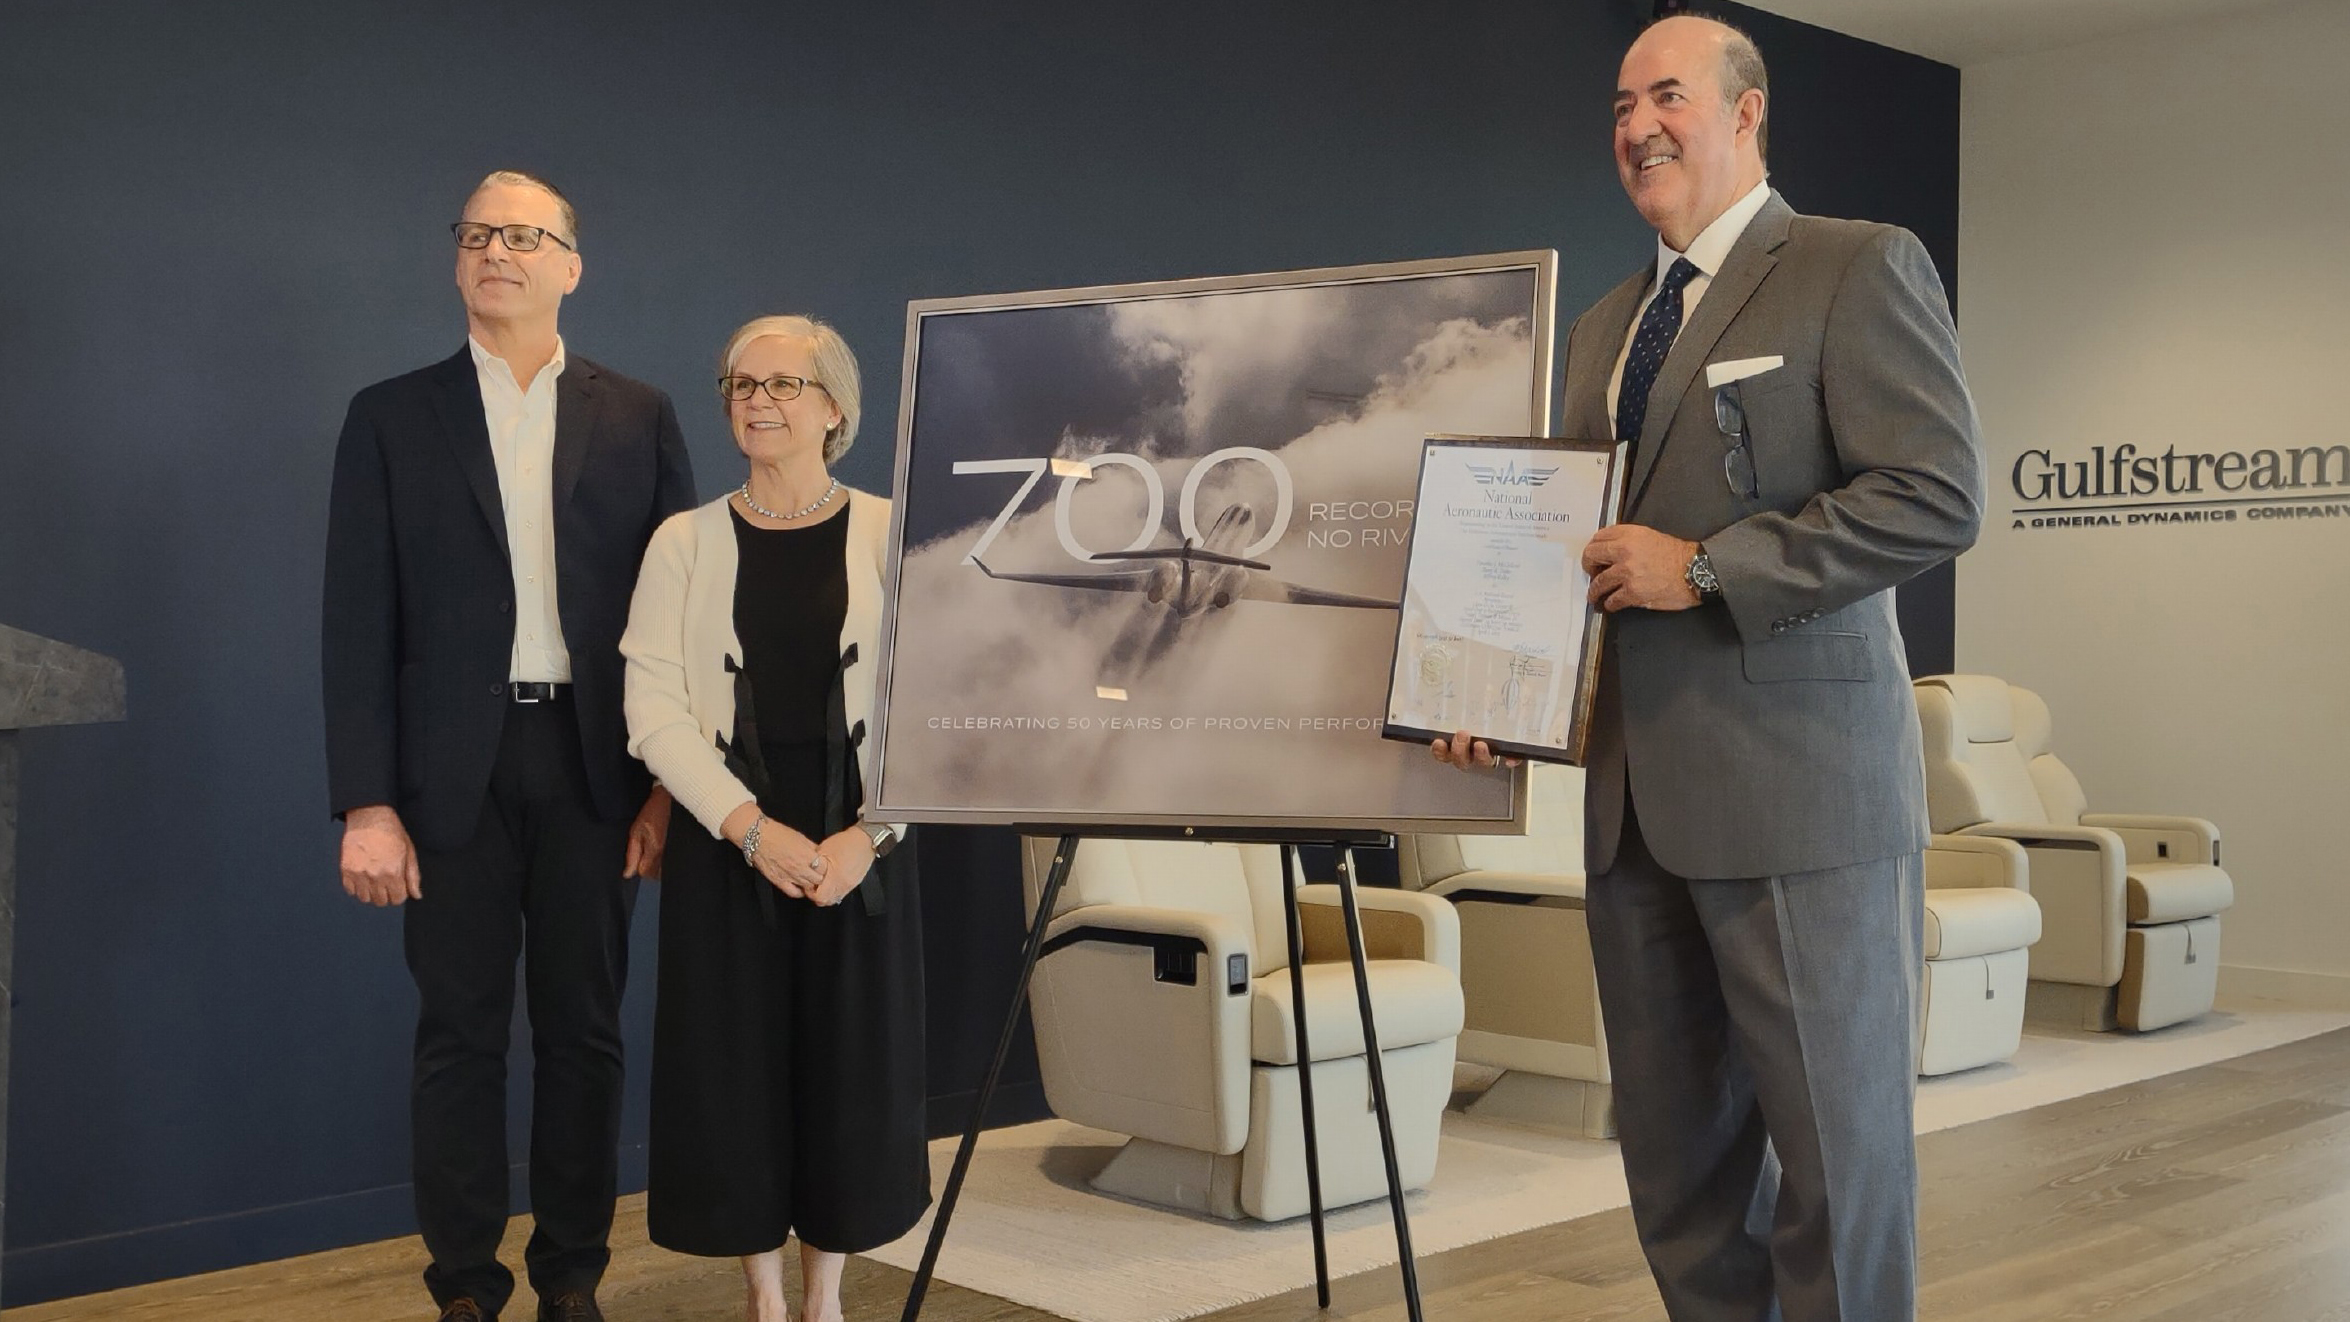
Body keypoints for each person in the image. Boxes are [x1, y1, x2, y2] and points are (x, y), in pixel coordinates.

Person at [1436, 16, 1984, 1321]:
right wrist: (1494, 691)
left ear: (1746, 113)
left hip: (1803, 804)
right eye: (1620, 103)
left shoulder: (1852, 268)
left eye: (1666, 95)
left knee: (1836, 1173)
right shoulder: (1604, 326)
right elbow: (1554, 549)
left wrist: (1710, 565)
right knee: (1676, 1175)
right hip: (1631, 815)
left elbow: (1936, 494)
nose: (1636, 126)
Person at [322, 170, 697, 1322]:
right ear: (457, 261)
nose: (499, 251)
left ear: (569, 265)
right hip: (449, 779)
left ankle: (572, 1276)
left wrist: (668, 789)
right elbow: (355, 621)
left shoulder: (637, 413)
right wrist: (366, 802)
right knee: (459, 1036)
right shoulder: (390, 414)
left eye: (525, 235)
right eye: (479, 233)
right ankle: (465, 1287)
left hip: (596, 768)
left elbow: (674, 616)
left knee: (585, 1034)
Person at [619, 315, 927, 1322]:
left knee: (849, 1071)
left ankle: (825, 1296)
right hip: (727, 842)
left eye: (784, 385)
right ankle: (760, 1293)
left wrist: (868, 836)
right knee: (730, 1073)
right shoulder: (683, 541)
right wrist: (747, 827)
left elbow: (939, 704)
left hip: (857, 844)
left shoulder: (895, 528)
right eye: (740, 383)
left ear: (834, 407)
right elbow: (653, 709)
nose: (756, 399)